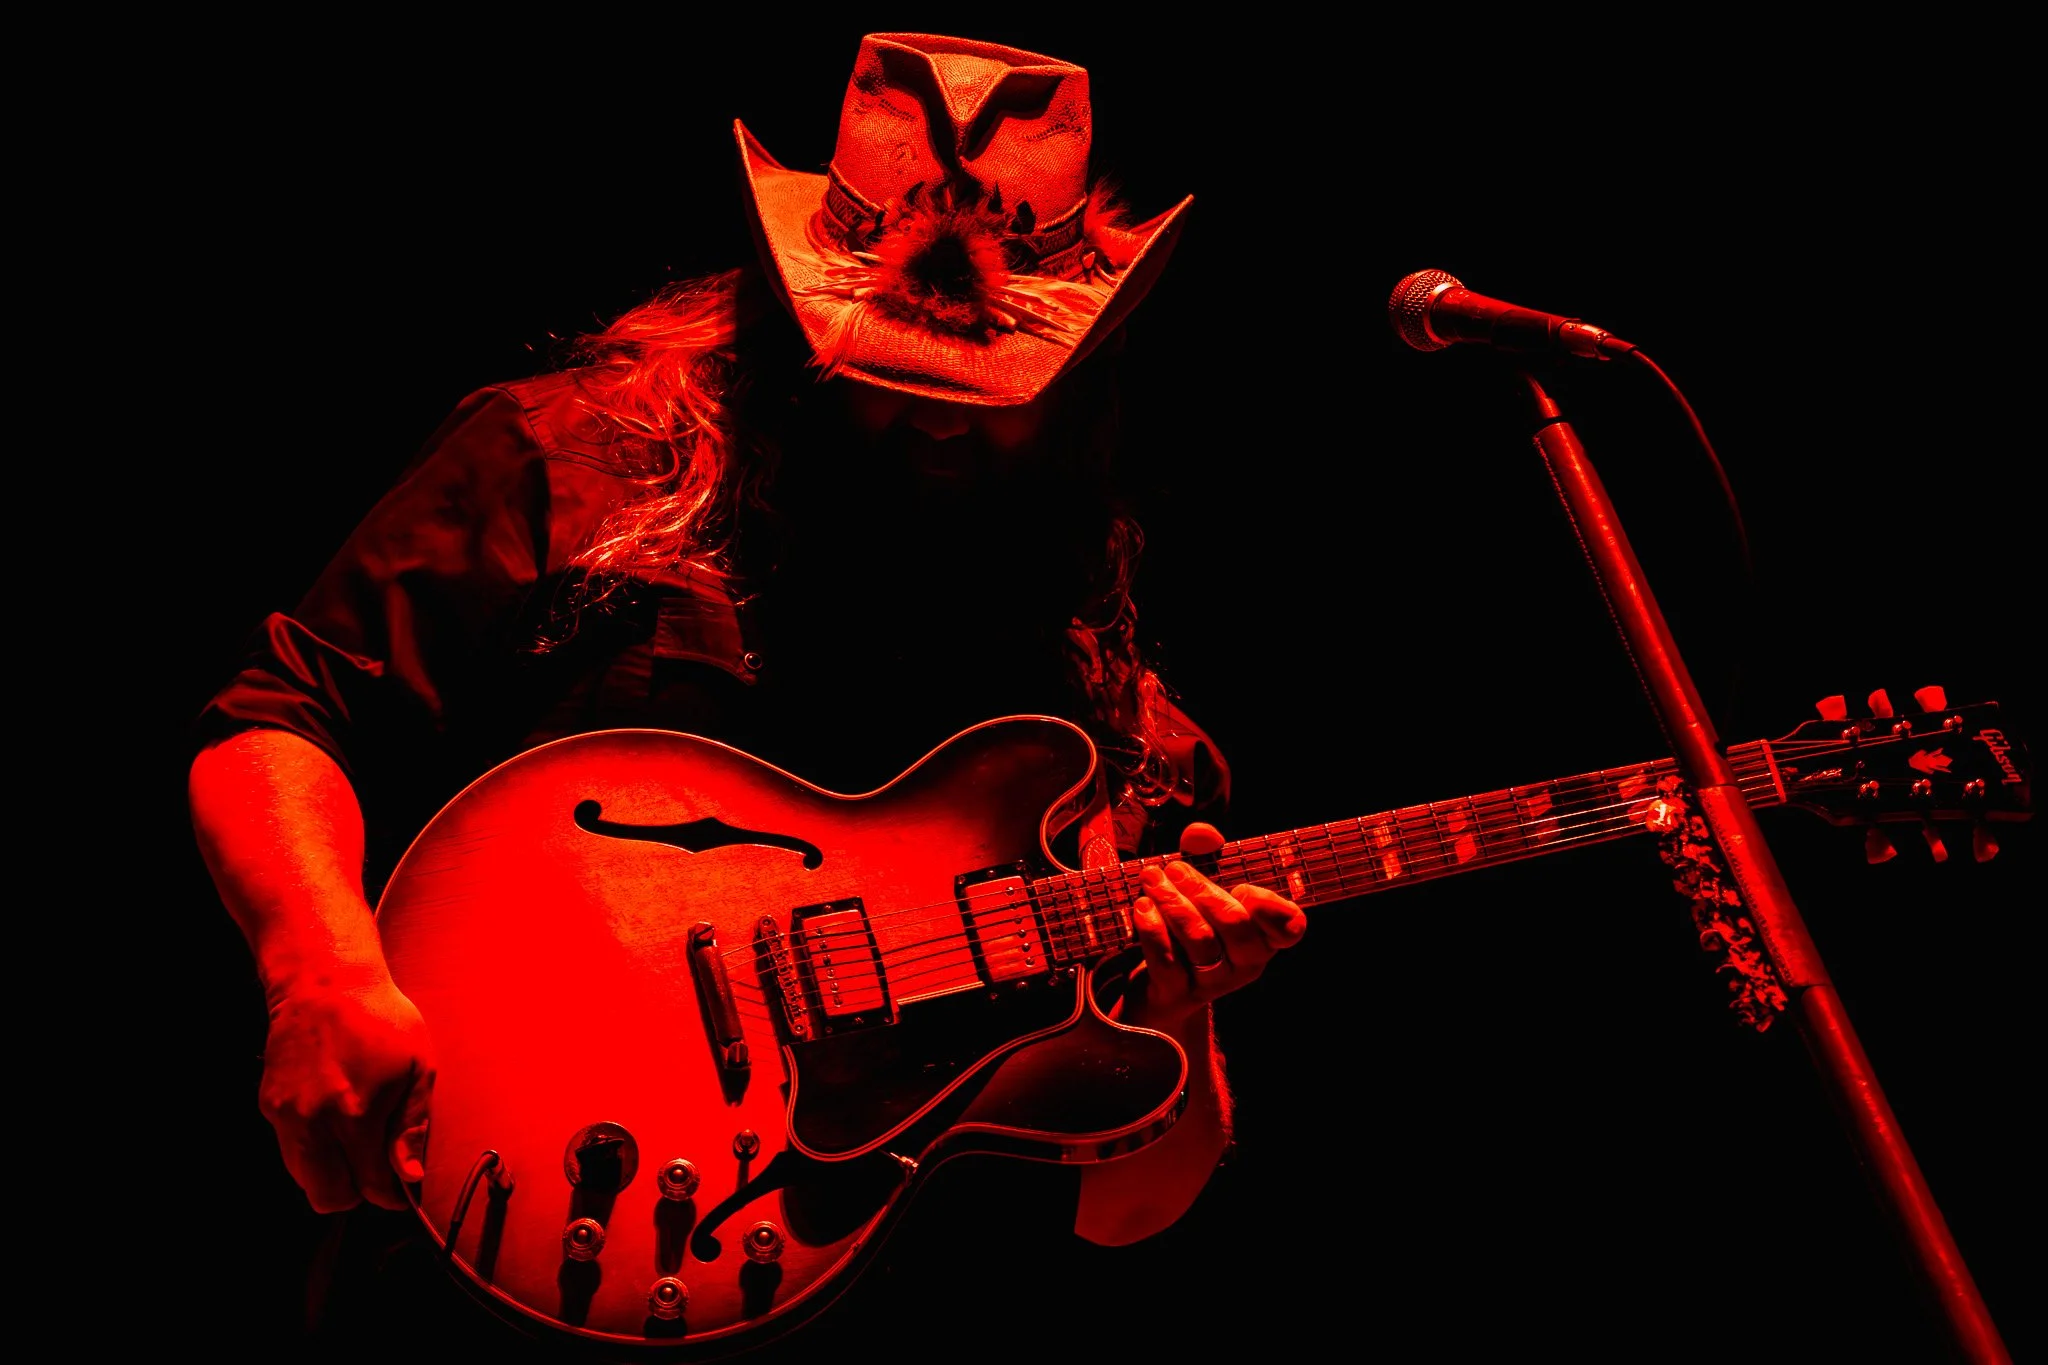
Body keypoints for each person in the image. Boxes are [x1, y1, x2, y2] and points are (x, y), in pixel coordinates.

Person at [188, 31, 1305, 1348]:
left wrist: (1184, 1001)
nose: (944, 421)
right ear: (792, 329)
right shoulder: (576, 456)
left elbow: (1125, 1218)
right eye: (892, 380)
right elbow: (280, 719)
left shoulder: (1093, 698)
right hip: (470, 1254)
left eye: (1001, 395)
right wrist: (316, 971)